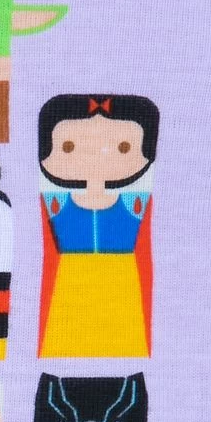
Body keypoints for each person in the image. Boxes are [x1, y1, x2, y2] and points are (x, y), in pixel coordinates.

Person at [37, 94, 160, 357]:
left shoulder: (136, 204)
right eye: (68, 147)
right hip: (68, 290)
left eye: (123, 148)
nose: (99, 155)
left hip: (121, 289)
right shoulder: (55, 204)